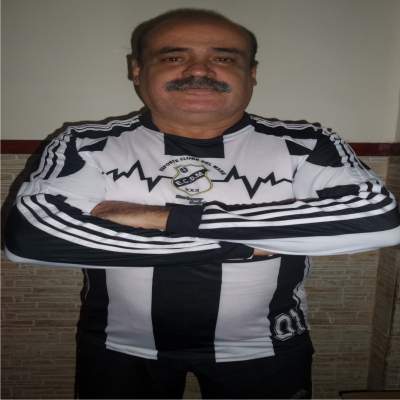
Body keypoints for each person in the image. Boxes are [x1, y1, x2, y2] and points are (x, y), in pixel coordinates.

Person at [5, 8, 400, 399]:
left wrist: (166, 218)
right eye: (173, 57)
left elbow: (379, 218)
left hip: (266, 346)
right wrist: (245, 247)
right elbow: (30, 238)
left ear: (252, 73)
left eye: (223, 59)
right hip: (120, 345)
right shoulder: (84, 143)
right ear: (137, 70)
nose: (199, 70)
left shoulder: (309, 142)